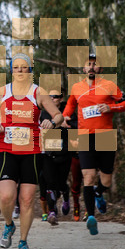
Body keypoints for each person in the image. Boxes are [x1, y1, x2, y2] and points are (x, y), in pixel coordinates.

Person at [0, 53, 66, 249]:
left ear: (30, 70)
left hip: (32, 152)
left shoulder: (38, 92)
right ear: (11, 70)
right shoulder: (3, 91)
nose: (20, 71)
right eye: (16, 67)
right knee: (5, 196)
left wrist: (52, 122)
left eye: (24, 67)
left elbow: (58, 114)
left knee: (27, 199)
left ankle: (23, 242)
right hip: (7, 150)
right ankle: (9, 224)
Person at [63, 53, 125, 235]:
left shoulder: (109, 85)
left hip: (105, 135)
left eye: (95, 65)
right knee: (88, 176)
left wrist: (111, 107)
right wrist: (64, 117)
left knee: (106, 179)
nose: (91, 67)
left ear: (100, 69)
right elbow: (70, 105)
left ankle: (99, 193)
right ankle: (91, 217)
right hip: (85, 135)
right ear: (84, 69)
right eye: (88, 64)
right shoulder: (77, 87)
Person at [39, 90, 75, 226]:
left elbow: (78, 127)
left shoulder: (70, 111)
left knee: (61, 183)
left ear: (61, 98)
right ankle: (52, 212)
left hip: (64, 153)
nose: (53, 99)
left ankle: (65, 195)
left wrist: (67, 126)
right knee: (50, 183)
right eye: (51, 96)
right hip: (48, 153)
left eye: (56, 96)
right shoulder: (43, 112)